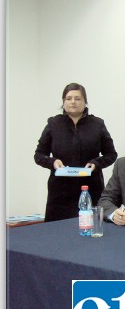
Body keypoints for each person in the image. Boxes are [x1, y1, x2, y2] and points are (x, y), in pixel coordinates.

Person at [34, 82, 117, 222]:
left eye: (78, 98)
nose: (73, 102)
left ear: (85, 102)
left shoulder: (97, 124)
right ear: (63, 102)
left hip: (91, 189)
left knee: (91, 230)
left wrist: (96, 163)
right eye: (69, 98)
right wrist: (52, 162)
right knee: (57, 234)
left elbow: (111, 154)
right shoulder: (53, 124)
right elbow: (39, 155)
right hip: (60, 192)